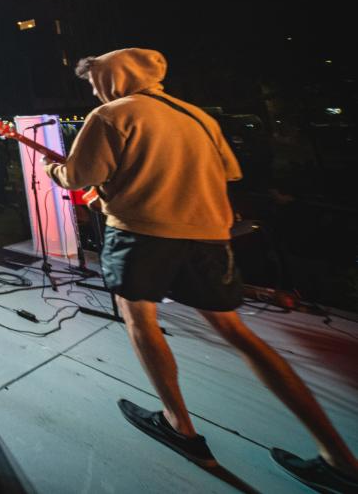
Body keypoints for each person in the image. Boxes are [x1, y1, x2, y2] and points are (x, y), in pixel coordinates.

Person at [46, 49, 358, 486]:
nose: (95, 89)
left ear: (116, 77)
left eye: (97, 79)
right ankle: (340, 459)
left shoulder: (111, 115)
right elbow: (218, 173)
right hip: (209, 237)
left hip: (142, 235)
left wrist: (54, 169)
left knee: (141, 322)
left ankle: (180, 427)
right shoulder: (197, 117)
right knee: (237, 334)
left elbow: (78, 177)